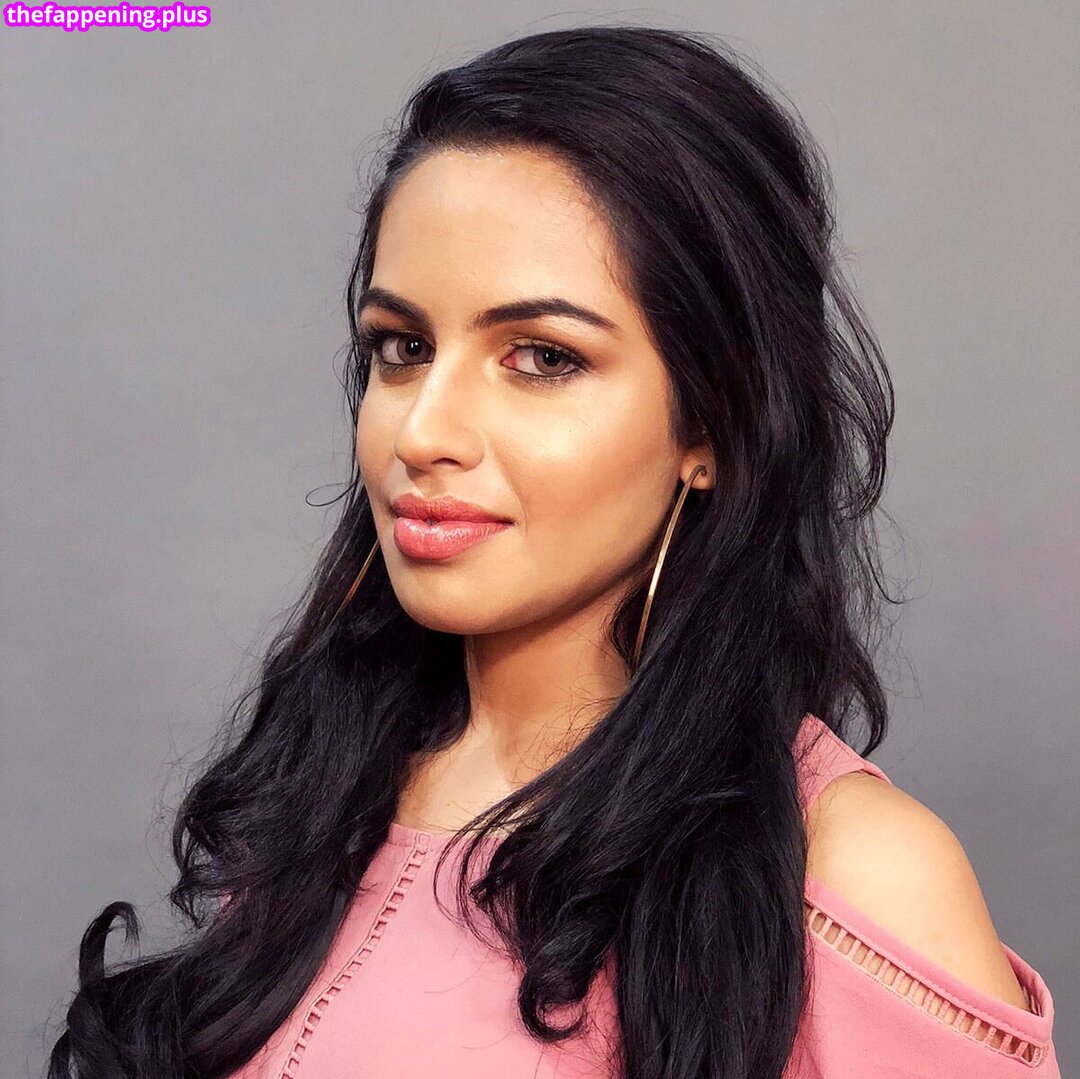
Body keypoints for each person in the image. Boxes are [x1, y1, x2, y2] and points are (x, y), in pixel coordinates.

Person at [48, 24, 1060, 1079]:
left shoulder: (851, 875)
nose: (423, 430)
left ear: (713, 422)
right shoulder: (323, 794)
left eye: (541, 357)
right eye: (402, 347)